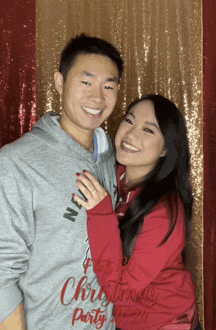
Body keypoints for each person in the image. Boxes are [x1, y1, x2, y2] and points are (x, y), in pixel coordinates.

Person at [0, 34, 123, 329]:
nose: (98, 97)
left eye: (109, 86)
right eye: (86, 82)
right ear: (59, 82)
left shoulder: (115, 158)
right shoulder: (17, 162)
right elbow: (2, 273)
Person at [72, 95, 202, 330]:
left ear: (166, 149)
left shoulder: (164, 212)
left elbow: (120, 293)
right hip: (119, 320)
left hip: (164, 322)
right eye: (129, 121)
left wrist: (101, 215)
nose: (131, 134)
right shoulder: (115, 175)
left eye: (149, 130)